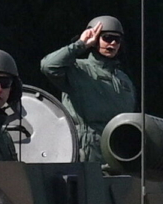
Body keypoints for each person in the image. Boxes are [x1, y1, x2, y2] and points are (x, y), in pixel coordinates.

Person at [40, 16, 137, 162]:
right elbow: (48, 66)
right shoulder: (77, 69)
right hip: (86, 152)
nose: (113, 43)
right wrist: (81, 44)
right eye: (107, 38)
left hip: (118, 152)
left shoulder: (124, 80)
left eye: (117, 40)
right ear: (95, 39)